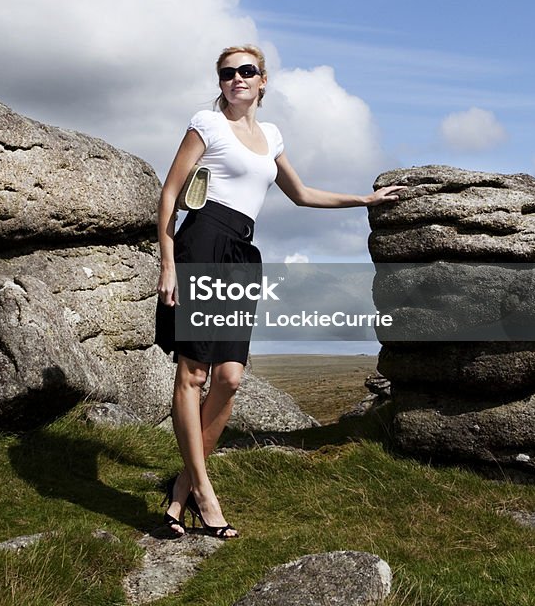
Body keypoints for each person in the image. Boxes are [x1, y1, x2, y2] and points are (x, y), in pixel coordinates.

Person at [155, 45, 402, 538]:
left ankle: (181, 487)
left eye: (246, 71)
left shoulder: (270, 136)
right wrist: (168, 264)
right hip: (201, 242)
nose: (236, 79)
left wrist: (363, 199)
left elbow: (303, 194)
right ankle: (204, 493)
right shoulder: (206, 123)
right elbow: (169, 193)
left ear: (263, 81)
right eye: (227, 73)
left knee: (230, 378)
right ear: (221, 81)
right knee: (195, 372)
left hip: (243, 253)